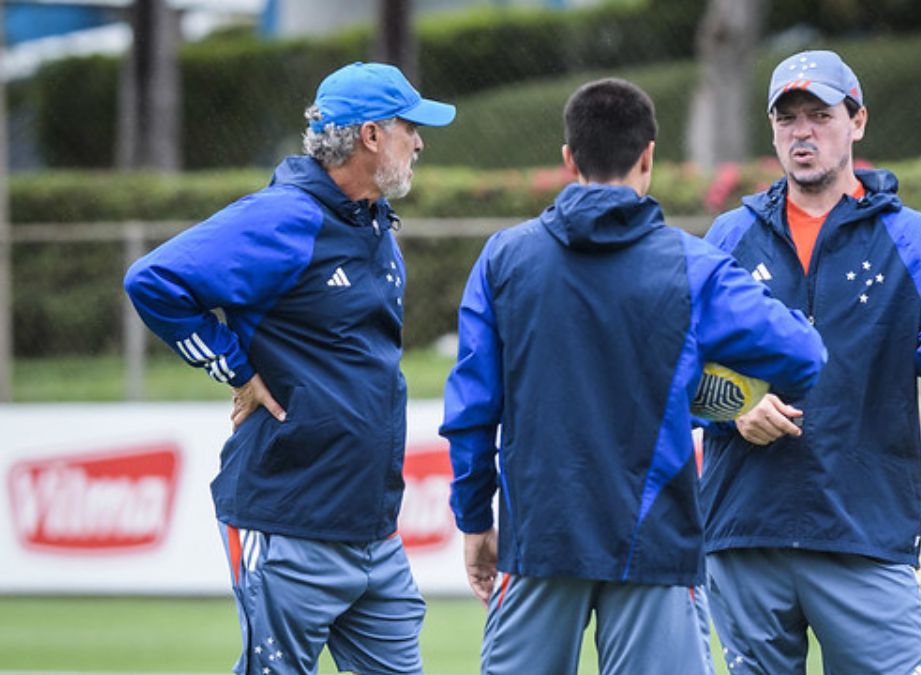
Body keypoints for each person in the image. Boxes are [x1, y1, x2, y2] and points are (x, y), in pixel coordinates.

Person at [439, 78, 827, 675]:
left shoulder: (504, 258)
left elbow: (471, 410)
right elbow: (804, 355)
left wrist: (473, 518)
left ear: (569, 160)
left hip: (540, 536)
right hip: (653, 541)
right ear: (648, 156)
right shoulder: (692, 264)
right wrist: (704, 394)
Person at [123, 61, 455, 675]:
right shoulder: (286, 216)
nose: (420, 142)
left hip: (372, 531)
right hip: (287, 524)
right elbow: (153, 280)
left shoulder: (374, 223)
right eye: (411, 127)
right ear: (371, 136)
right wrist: (234, 368)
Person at [699, 50, 921, 674]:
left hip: (863, 534)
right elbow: (678, 372)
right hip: (746, 532)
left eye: (819, 114)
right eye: (787, 119)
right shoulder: (729, 237)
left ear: (857, 122)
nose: (801, 132)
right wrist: (737, 411)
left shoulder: (914, 237)